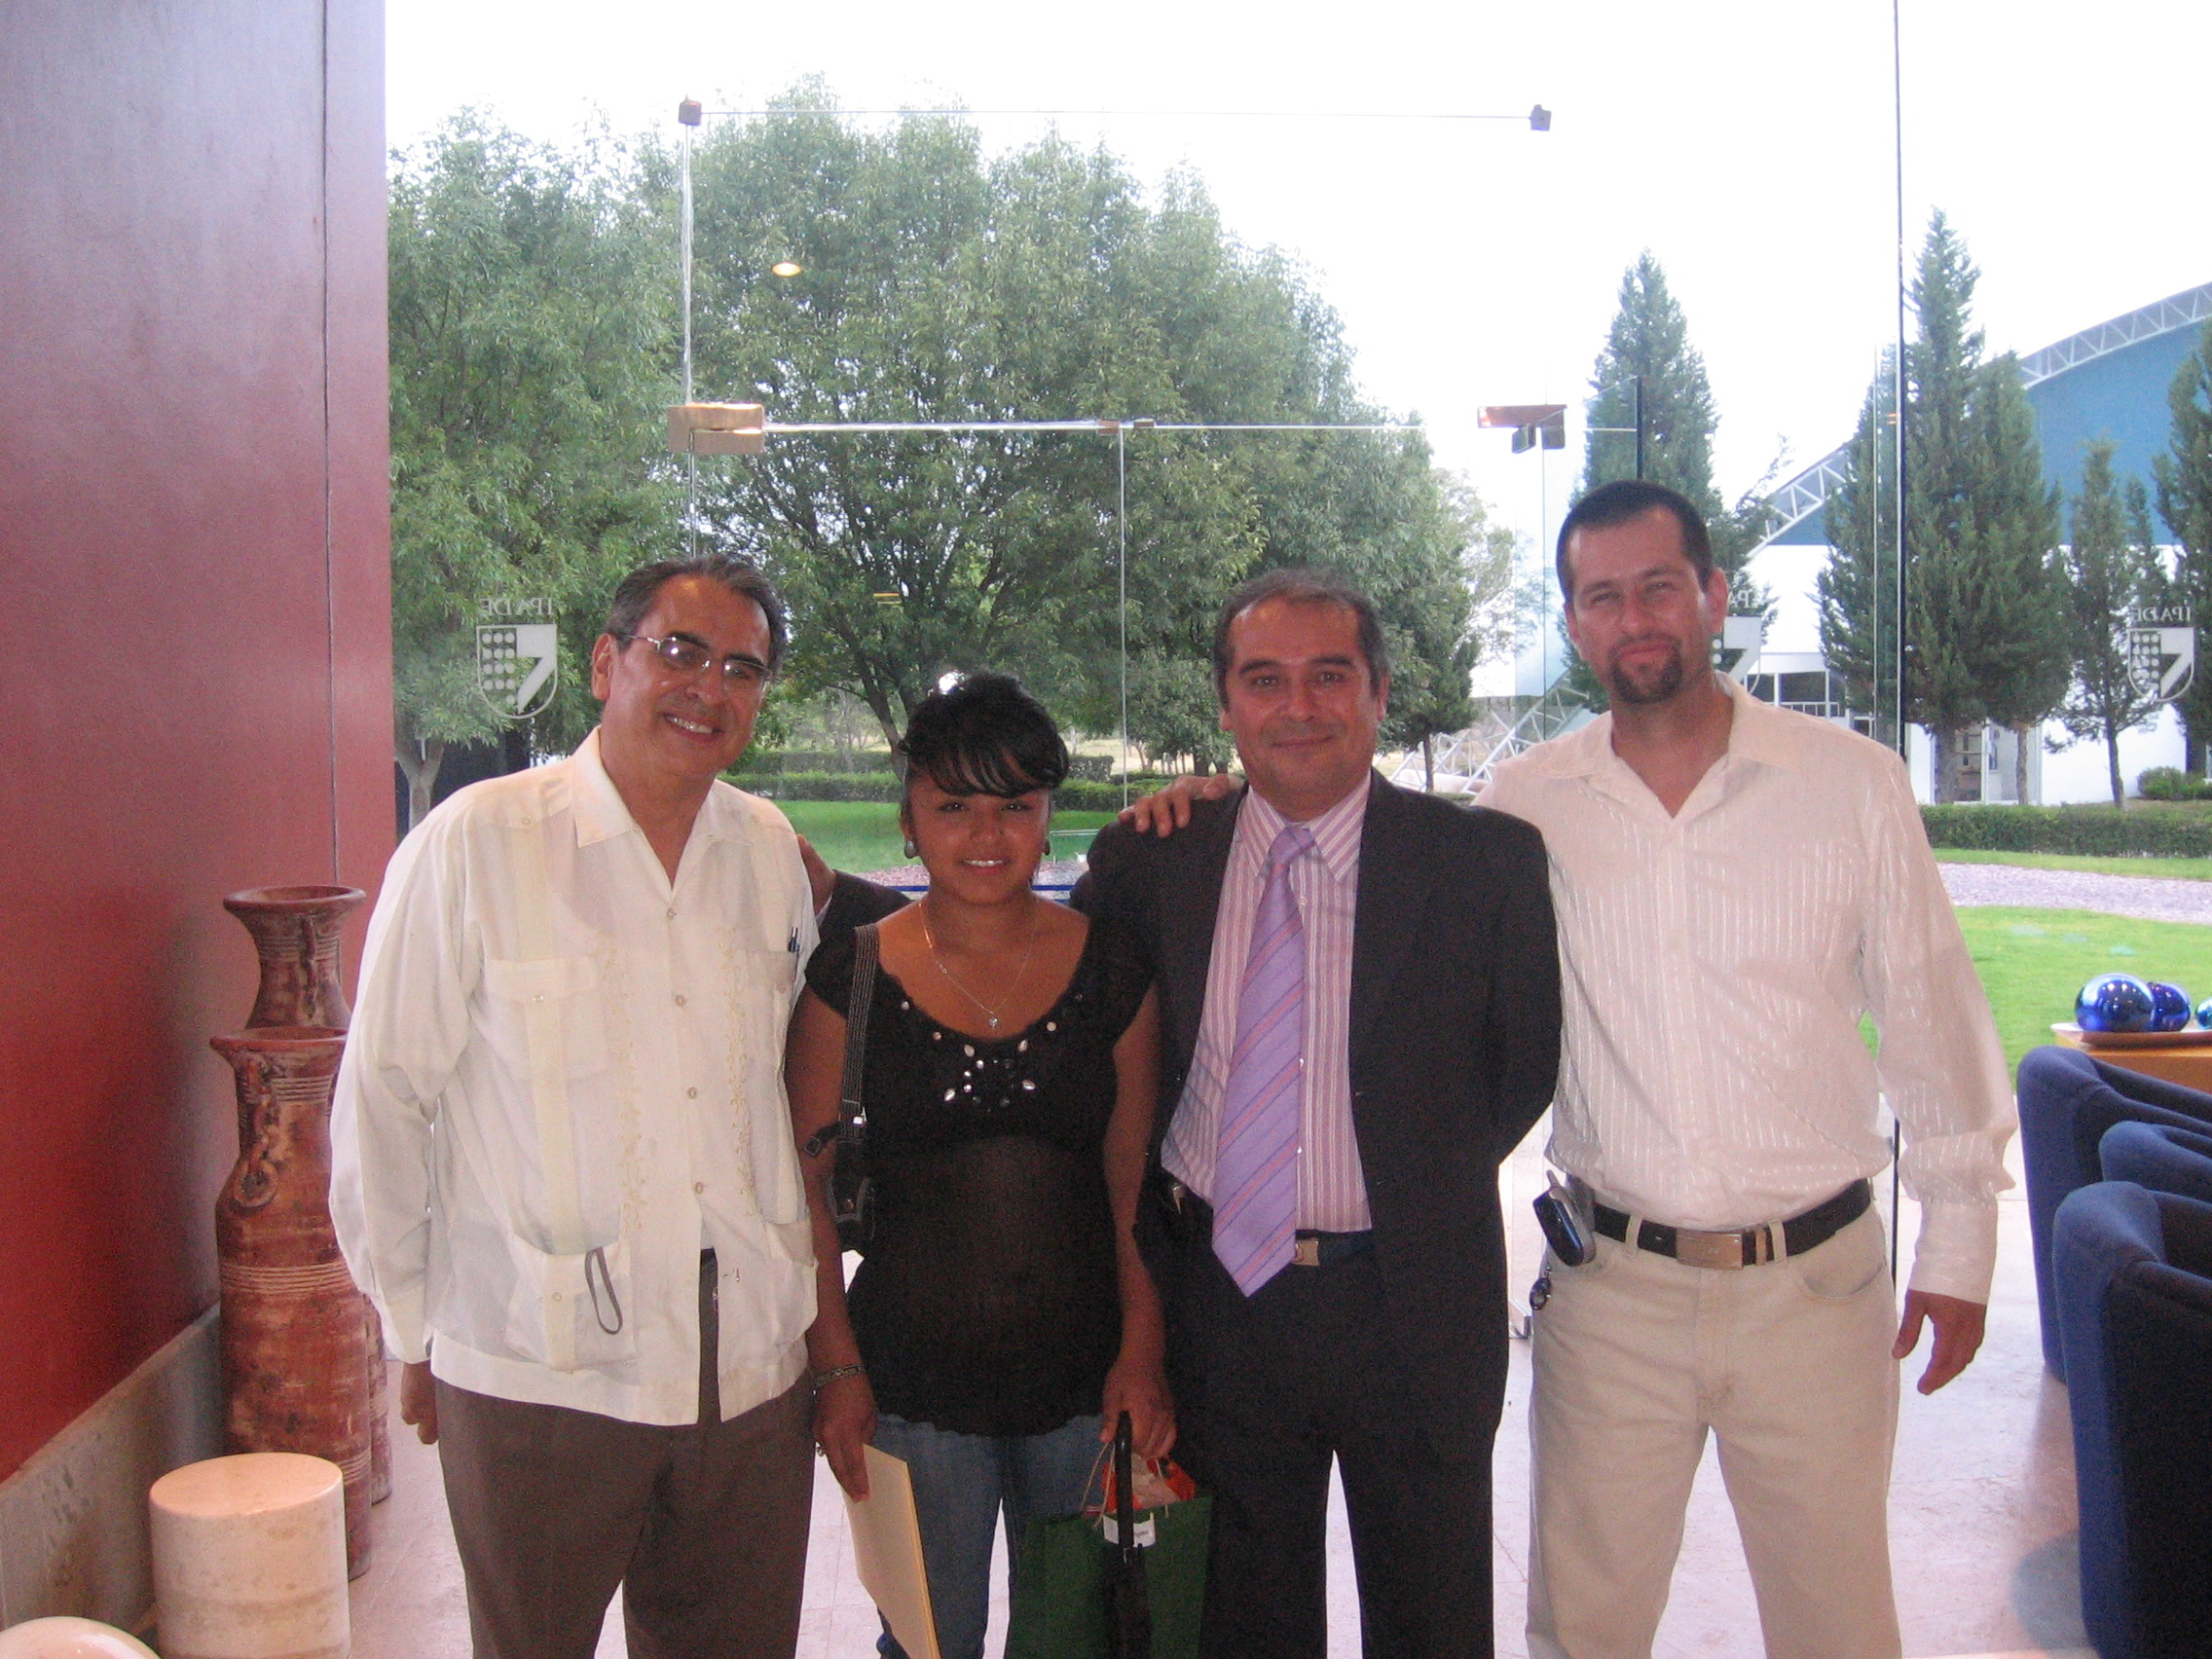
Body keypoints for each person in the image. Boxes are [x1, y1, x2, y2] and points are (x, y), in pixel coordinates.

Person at [1483, 480, 2016, 1659]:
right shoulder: (1525, 804)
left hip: (1815, 1295)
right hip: (1610, 1296)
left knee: (1836, 1627)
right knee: (1582, 1631)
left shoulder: (1849, 782)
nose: (1634, 620)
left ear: (1713, 595)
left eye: (1658, 587)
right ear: (1572, 623)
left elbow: (1929, 1013)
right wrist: (1228, 805)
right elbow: (1393, 883)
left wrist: (1960, 1245)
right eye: (1602, 597)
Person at [331, 555, 824, 1659]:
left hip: (746, 1365)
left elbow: (781, 1077)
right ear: (606, 663)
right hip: (538, 1367)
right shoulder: (476, 843)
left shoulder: (765, 852)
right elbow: (384, 1098)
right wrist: (412, 1326)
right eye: (680, 651)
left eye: (742, 668)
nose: (708, 687)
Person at [1075, 568, 1562, 1659]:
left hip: (1412, 1302)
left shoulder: (1484, 865)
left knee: (1434, 1621)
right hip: (1220, 1309)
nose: (1297, 707)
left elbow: (1521, 1065)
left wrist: (1402, 1173)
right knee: (1243, 1627)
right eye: (1264, 680)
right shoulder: (1151, 859)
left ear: (1378, 692)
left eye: (1329, 676)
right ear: (1225, 706)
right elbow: (1090, 1046)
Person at [789, 671, 1171, 1659]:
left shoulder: (1114, 969)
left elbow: (1134, 1181)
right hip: (910, 1386)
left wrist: (1143, 1355)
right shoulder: (849, 977)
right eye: (953, 806)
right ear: (910, 822)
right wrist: (836, 1368)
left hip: (1085, 1383)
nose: (986, 834)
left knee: (1075, 1640)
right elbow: (807, 1200)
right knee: (929, 1643)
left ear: (1048, 818)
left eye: (1015, 805)